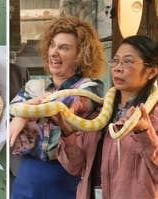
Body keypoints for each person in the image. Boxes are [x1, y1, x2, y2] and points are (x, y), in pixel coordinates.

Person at [9, 16, 106, 199]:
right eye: (52, 45)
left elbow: (63, 106)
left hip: (66, 178)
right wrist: (23, 111)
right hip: (27, 176)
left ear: (80, 55)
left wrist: (23, 113)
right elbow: (10, 109)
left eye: (64, 48)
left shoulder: (91, 88)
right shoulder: (36, 85)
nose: (54, 52)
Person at [56, 35, 158, 199]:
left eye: (127, 61)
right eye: (115, 61)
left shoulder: (153, 116)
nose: (118, 68)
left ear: (151, 71)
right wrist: (68, 134)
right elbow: (74, 167)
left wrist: (144, 132)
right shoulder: (98, 112)